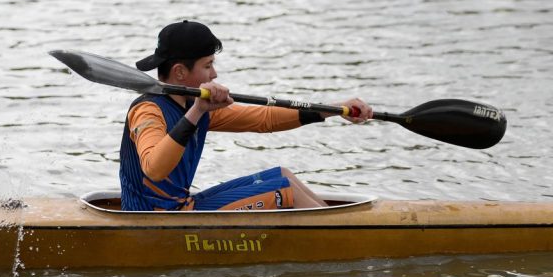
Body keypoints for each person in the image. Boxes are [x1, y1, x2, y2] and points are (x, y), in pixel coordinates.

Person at [119, 20, 372, 212]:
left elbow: (264, 119)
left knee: (283, 176)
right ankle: (347, 238)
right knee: (287, 191)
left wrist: (335, 109)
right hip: (152, 218)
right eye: (208, 65)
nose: (214, 74)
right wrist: (198, 111)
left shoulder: (193, 107)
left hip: (180, 207)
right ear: (180, 73)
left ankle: (343, 227)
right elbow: (154, 169)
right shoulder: (148, 110)